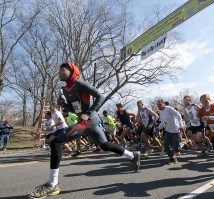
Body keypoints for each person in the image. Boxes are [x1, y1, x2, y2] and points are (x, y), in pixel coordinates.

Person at [27, 62, 140, 199]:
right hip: (86, 120)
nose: (60, 73)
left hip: (88, 120)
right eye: (59, 70)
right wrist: (65, 105)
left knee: (56, 142)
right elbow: (75, 109)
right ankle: (133, 156)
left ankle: (52, 185)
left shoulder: (80, 83)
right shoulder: (65, 89)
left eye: (63, 70)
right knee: (104, 145)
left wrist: (89, 112)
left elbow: (100, 97)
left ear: (72, 71)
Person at [156, 99, 184, 165]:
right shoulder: (160, 112)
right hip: (168, 131)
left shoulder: (169, 109)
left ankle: (174, 156)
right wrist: (158, 128)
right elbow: (163, 122)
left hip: (175, 130)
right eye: (157, 105)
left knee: (175, 146)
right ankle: (172, 158)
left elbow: (179, 116)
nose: (158, 106)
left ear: (163, 103)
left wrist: (181, 126)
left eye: (159, 104)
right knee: (165, 146)